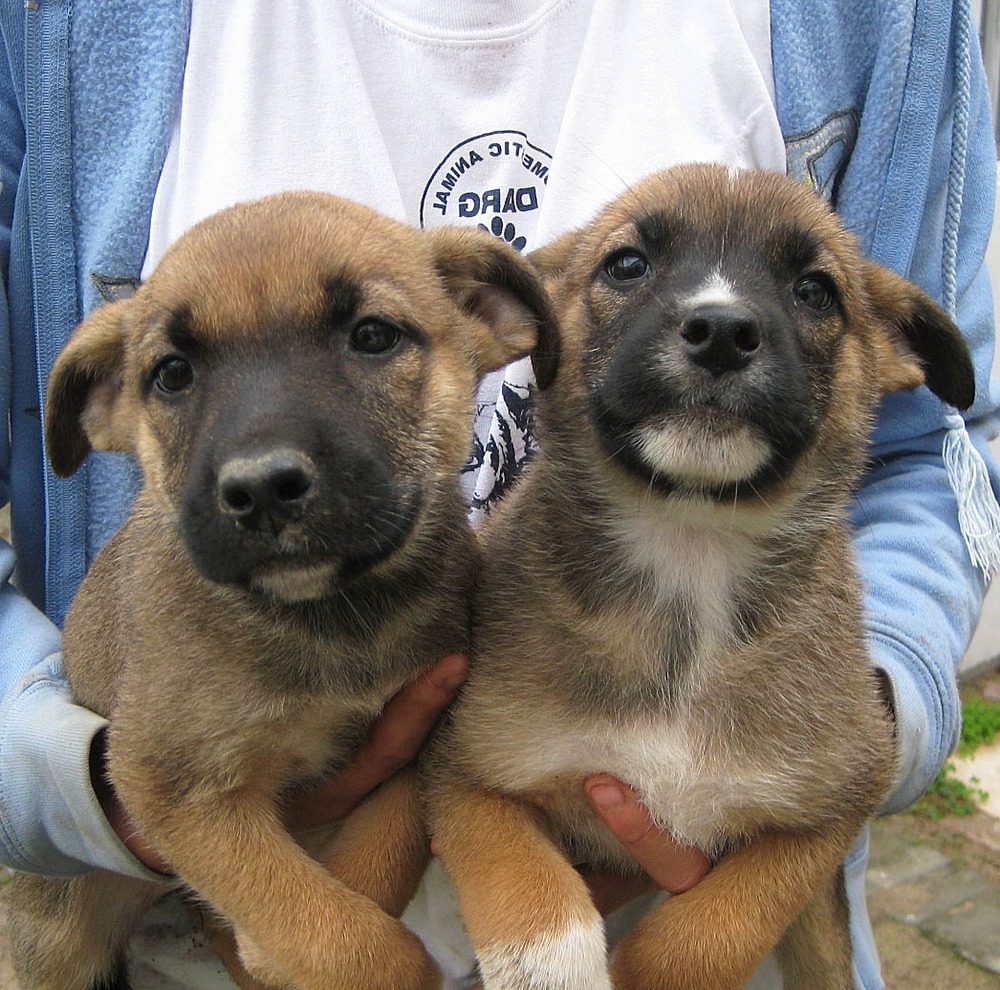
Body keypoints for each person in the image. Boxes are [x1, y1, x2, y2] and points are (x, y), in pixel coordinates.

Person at [0, 1, 996, 988]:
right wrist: (66, 787)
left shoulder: (881, 20)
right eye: (176, 375)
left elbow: (940, 445)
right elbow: (177, 781)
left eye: (375, 336)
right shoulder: (52, 25)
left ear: (502, 322)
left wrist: (840, 727)